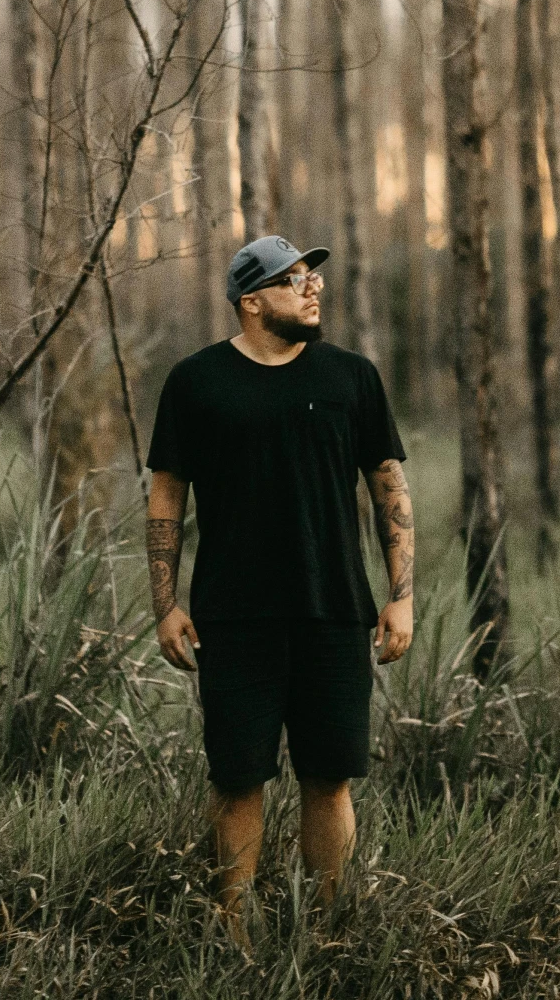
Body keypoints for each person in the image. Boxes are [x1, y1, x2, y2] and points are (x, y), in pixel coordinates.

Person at [145, 234, 416, 933]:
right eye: (294, 278)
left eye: (313, 276)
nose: (313, 287)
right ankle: (233, 932)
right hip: (233, 618)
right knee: (237, 781)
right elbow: (166, 496)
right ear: (252, 301)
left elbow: (389, 485)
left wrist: (402, 593)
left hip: (333, 610)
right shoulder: (197, 381)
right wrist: (165, 605)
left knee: (329, 778)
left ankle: (324, 930)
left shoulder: (352, 377)